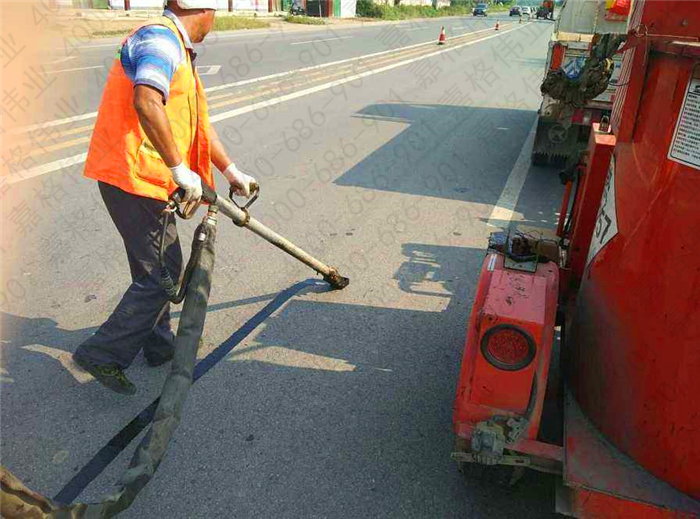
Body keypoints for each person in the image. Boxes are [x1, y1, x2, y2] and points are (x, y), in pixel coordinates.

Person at [73, 0, 257, 395]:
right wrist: (178, 168)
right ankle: (102, 353)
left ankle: (157, 346)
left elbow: (198, 125)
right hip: (132, 176)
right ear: (198, 9)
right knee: (166, 274)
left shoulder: (178, 47)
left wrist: (231, 171)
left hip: (146, 179)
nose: (215, 20)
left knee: (153, 270)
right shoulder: (159, 39)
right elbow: (146, 101)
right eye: (215, 11)